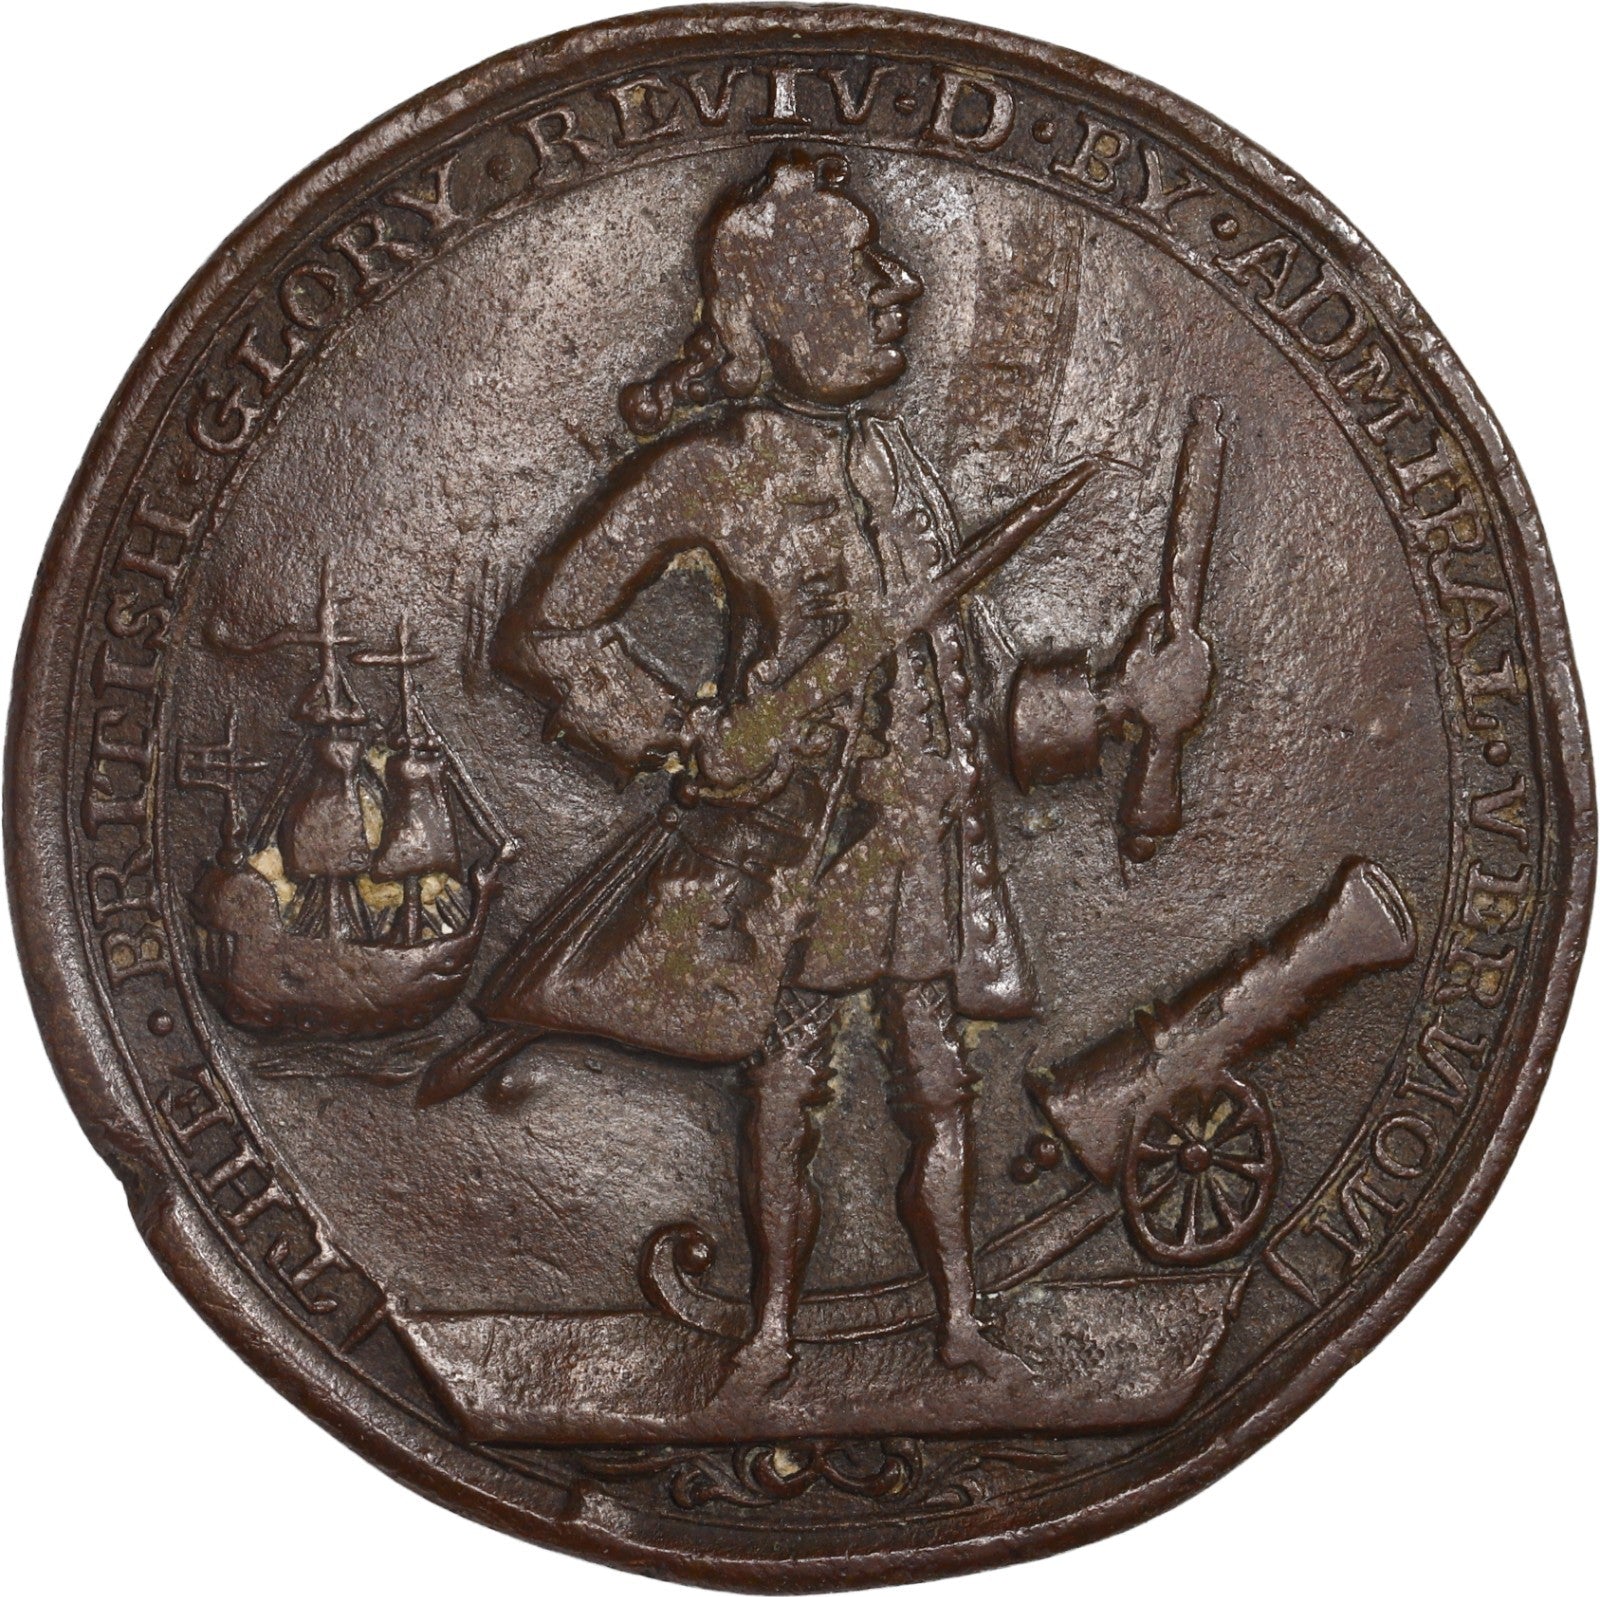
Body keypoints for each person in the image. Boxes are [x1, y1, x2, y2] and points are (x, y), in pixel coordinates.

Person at [425, 150, 1212, 1390]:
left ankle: (960, 1324)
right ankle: (771, 1334)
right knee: (786, 1088)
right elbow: (548, 632)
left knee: (937, 1089)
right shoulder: (713, 472)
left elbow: (963, 693)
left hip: (920, 838)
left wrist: (1114, 705)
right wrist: (686, 734)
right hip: (789, 857)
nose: (903, 284)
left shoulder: (894, 464)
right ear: (778, 308)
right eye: (862, 267)